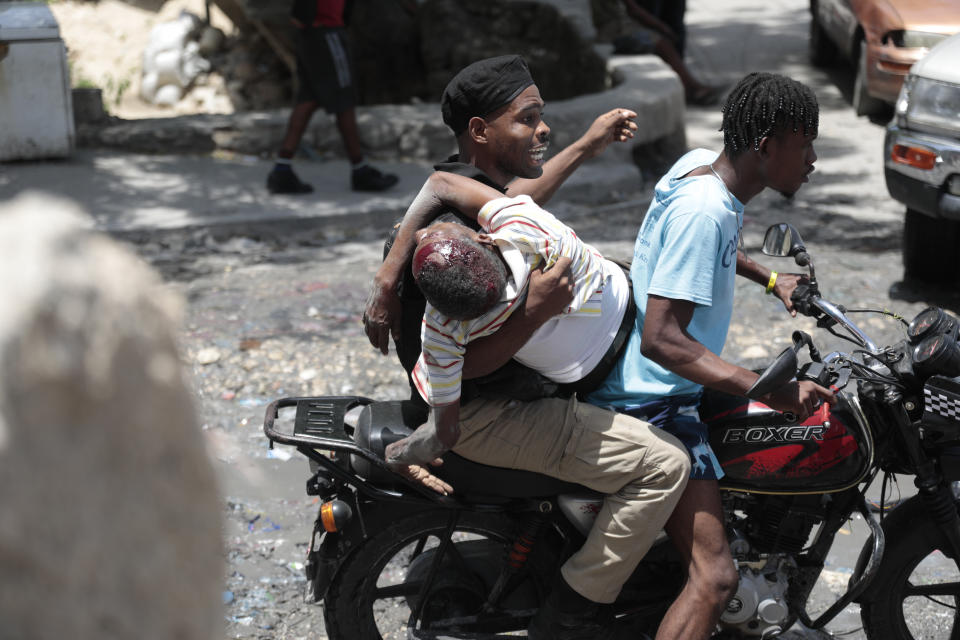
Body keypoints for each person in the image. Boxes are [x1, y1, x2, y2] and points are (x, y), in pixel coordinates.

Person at [364, 55, 691, 639]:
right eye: (527, 119)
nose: (543, 130)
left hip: (513, 383)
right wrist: (535, 311)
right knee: (665, 464)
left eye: (542, 116)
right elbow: (460, 379)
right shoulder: (457, 259)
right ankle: (573, 607)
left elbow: (521, 195)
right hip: (484, 412)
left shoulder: (476, 194)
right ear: (480, 132)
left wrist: (588, 145)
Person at [587, 72, 838, 640]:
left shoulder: (702, 170)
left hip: (658, 383)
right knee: (716, 578)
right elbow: (663, 339)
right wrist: (769, 388)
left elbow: (716, 248)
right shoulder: (705, 210)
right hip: (654, 402)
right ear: (767, 145)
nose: (814, 159)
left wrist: (772, 278)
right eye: (806, 145)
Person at [266, 0, 398, 194]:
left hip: (313, 34)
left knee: (308, 100)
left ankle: (282, 168)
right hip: (326, 33)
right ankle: (360, 170)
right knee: (344, 100)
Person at [591, 0, 720, 105]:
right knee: (661, 41)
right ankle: (690, 86)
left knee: (670, 31)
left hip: (618, 25)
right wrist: (661, 27)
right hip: (613, 30)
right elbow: (634, 10)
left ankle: (688, 86)